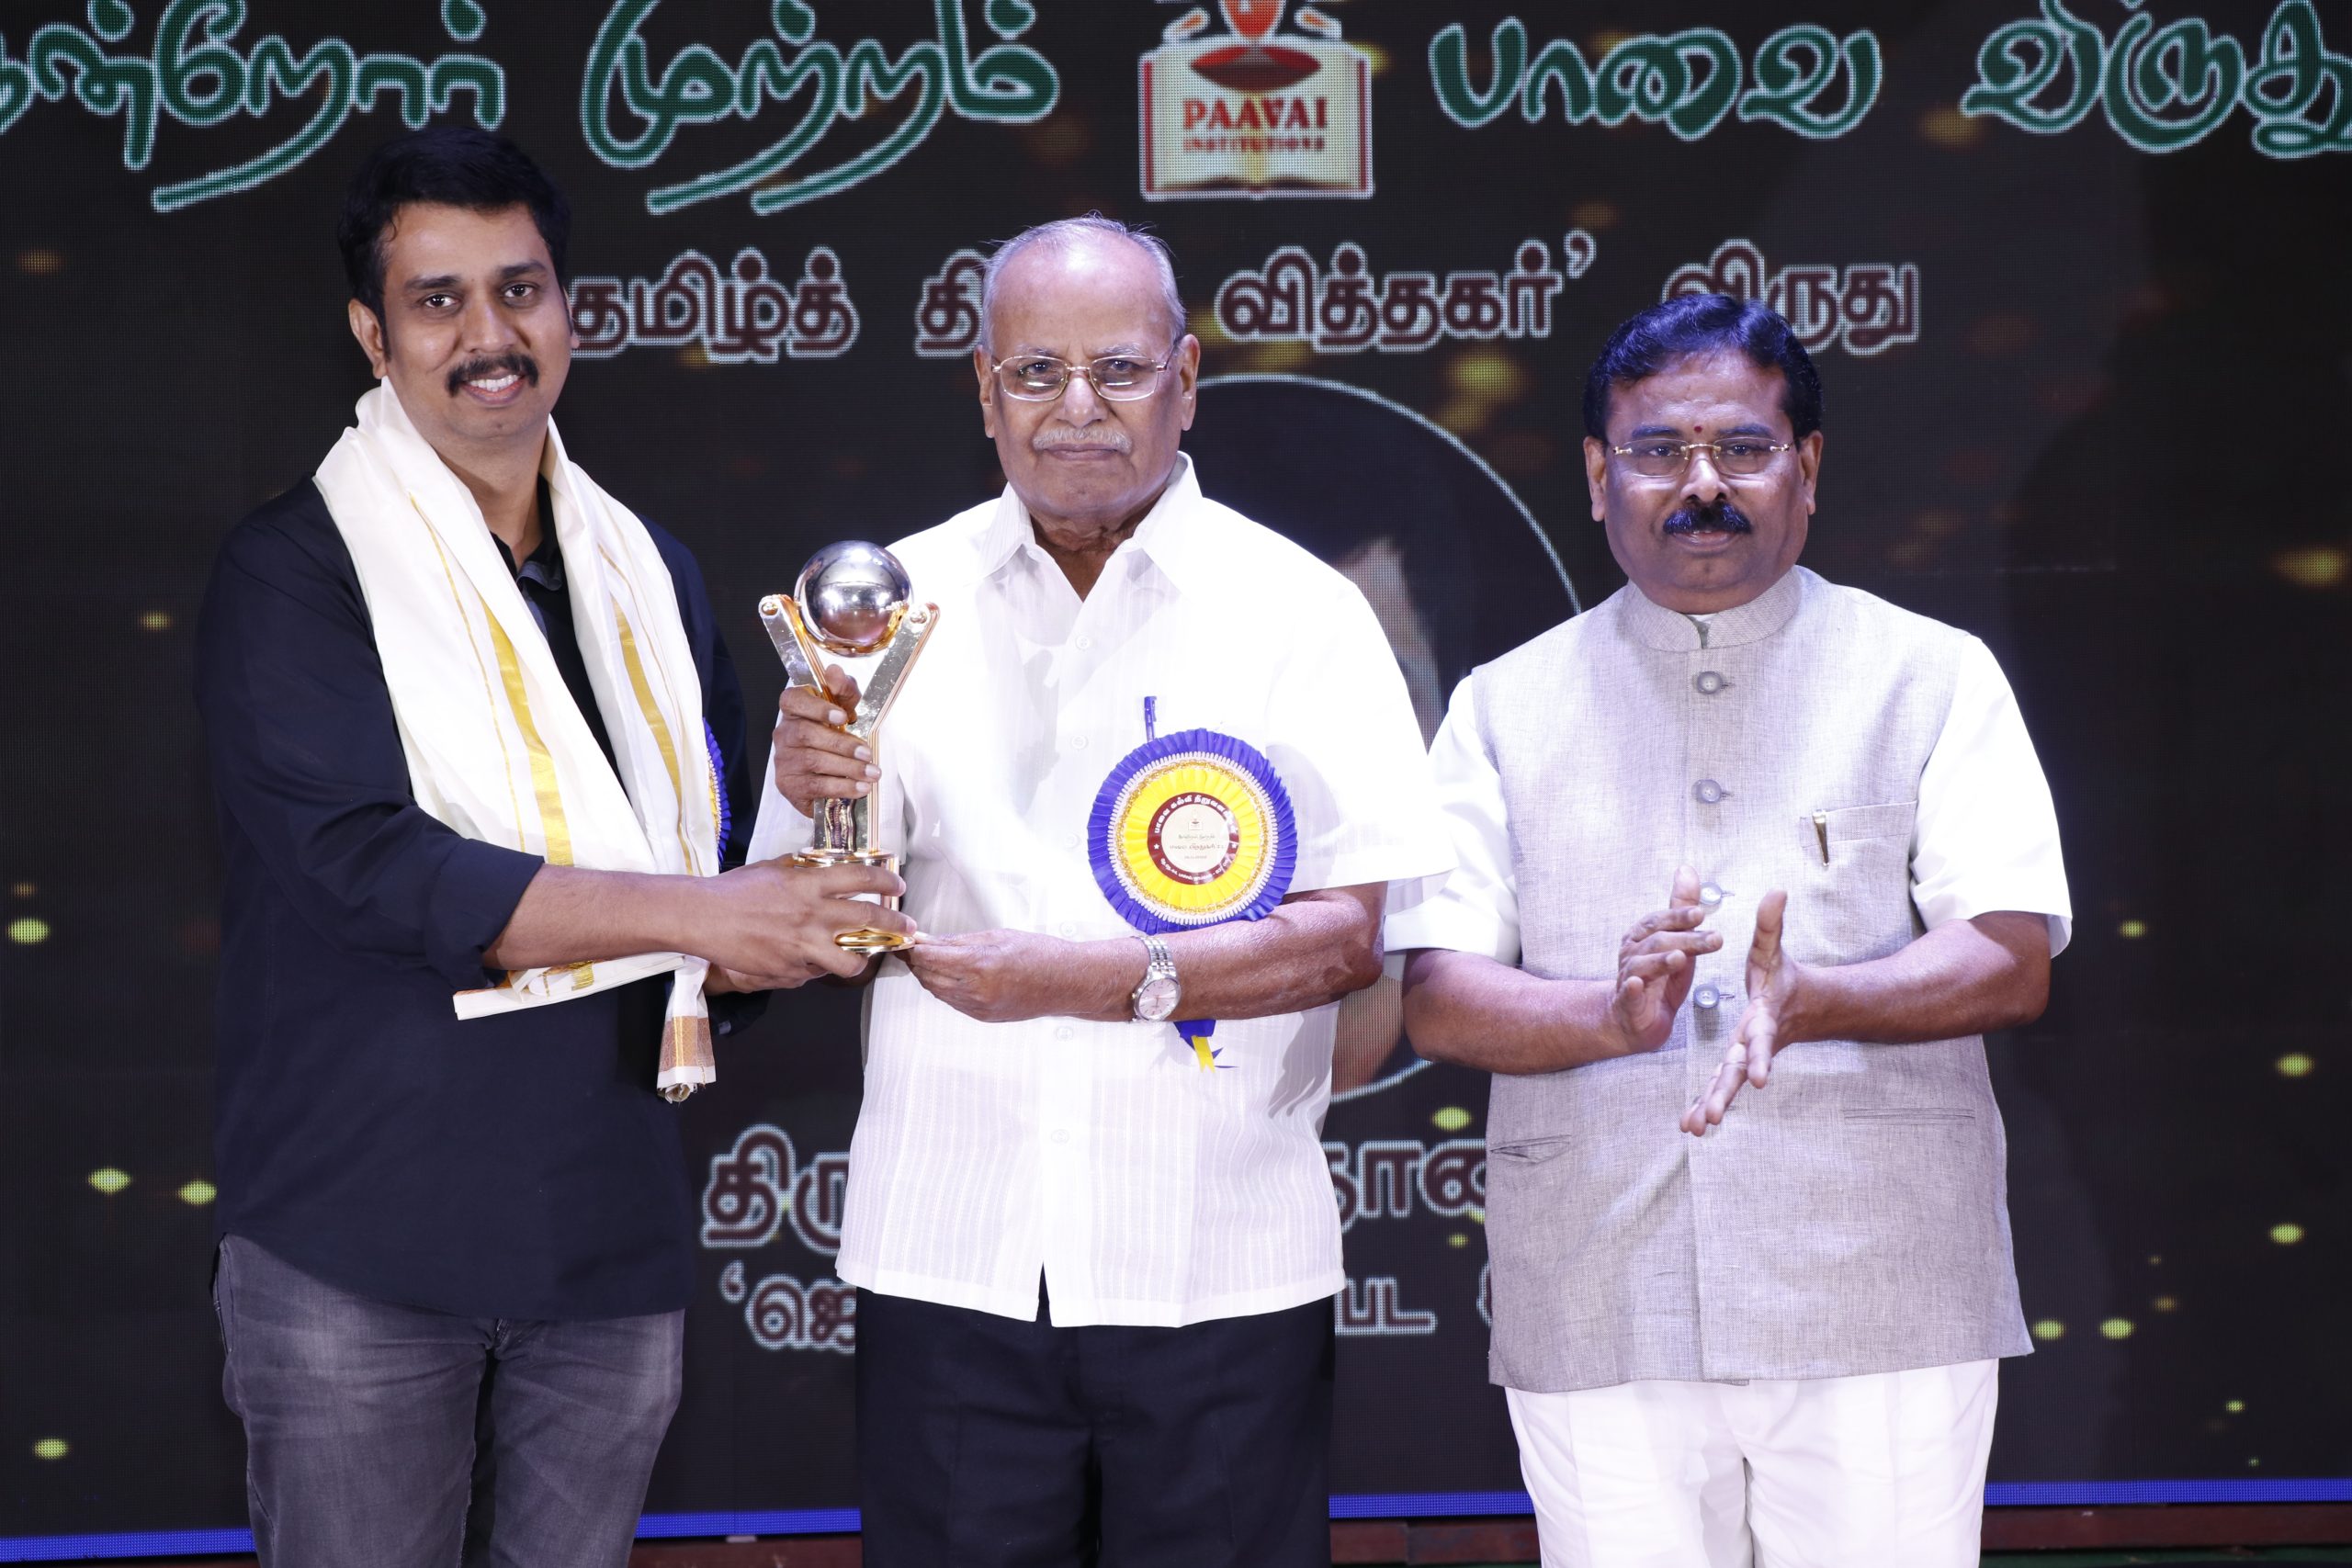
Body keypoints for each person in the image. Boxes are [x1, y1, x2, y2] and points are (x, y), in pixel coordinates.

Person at [193, 128, 905, 1568]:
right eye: (438, 300)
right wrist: (710, 914)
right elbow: (373, 872)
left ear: (567, 309)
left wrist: (796, 858)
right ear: (373, 335)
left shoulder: (647, 574)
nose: (489, 336)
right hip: (360, 1249)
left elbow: (708, 920)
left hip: (606, 1245)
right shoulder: (296, 570)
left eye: (519, 290)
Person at [750, 215, 1452, 1568]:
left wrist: (1098, 982)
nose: (1077, 408)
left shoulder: (1300, 611)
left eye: (1119, 371)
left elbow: (1346, 943)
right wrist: (816, 790)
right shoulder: (888, 607)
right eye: (1036, 373)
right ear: (985, 389)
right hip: (949, 1260)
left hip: (1219, 1264)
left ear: (1185, 381)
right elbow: (799, 925)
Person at [1390, 294, 2072, 1568]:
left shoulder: (1932, 674)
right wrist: (1606, 1017)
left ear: (1806, 466)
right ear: (1598, 476)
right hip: (1602, 1283)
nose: (1701, 485)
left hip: (1879, 1284)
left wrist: (1818, 998)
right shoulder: (1501, 707)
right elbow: (1434, 993)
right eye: (1659, 450)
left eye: (1743, 448)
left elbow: (2009, 954)